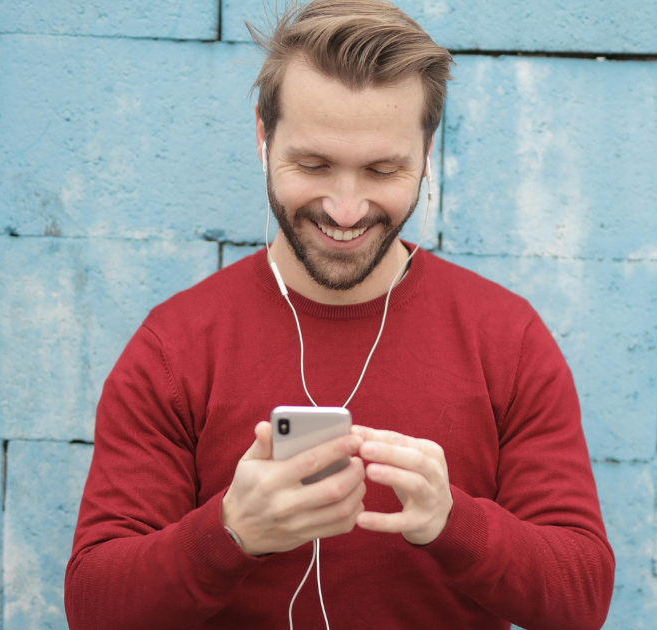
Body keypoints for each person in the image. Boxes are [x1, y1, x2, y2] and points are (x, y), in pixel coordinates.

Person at [64, 1, 614, 628]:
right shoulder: (175, 348)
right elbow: (94, 606)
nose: (346, 209)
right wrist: (228, 533)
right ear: (263, 135)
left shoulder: (506, 338)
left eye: (383, 170)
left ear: (427, 153)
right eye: (314, 165)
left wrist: (453, 522)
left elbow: (582, 598)